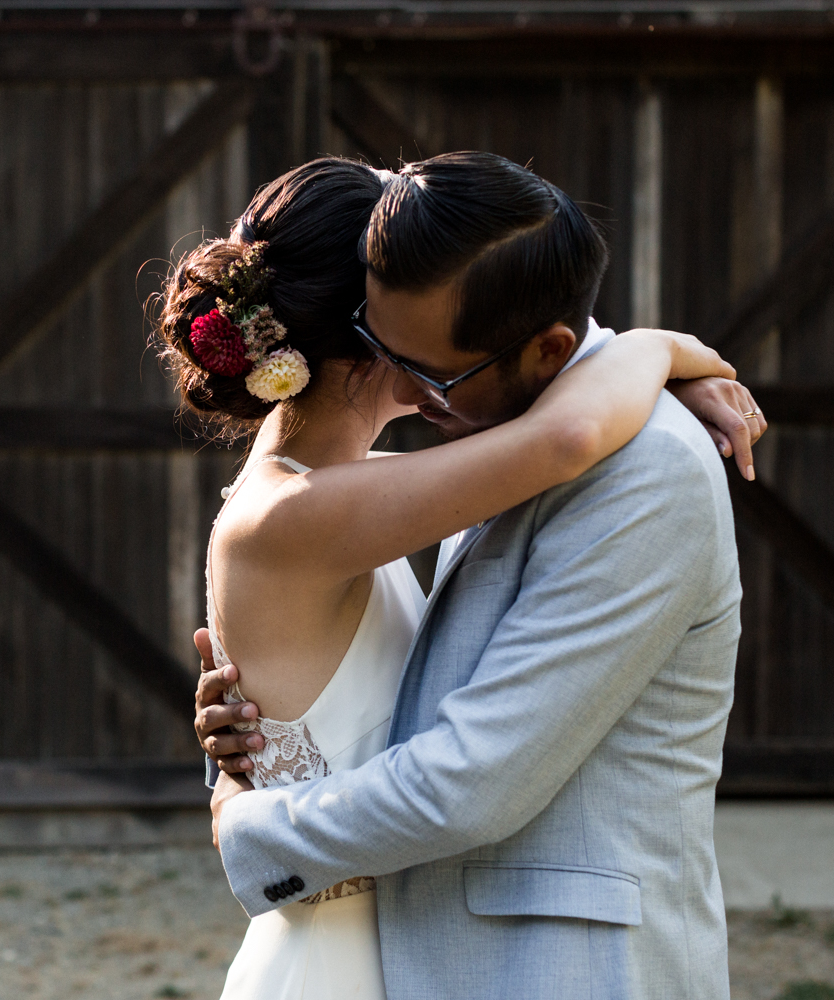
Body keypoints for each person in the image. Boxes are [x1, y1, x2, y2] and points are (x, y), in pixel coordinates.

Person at [159, 154, 760, 1000]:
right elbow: (563, 438)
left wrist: (253, 782)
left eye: (439, 367)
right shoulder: (341, 499)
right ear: (358, 332)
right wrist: (661, 349)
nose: (429, 394)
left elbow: (436, 744)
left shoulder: (590, 461)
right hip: (364, 951)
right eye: (403, 352)